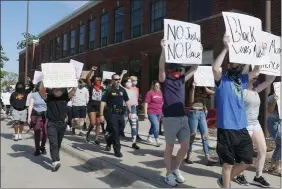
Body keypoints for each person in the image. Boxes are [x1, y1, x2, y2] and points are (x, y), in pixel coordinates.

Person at [212, 35, 261, 188]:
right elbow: (215, 68)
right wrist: (225, 48)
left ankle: (223, 181)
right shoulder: (222, 80)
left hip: (241, 127)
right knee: (227, 164)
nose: (235, 62)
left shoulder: (242, 80)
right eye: (232, 60)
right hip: (226, 127)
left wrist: (259, 53)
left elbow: (257, 71)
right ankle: (226, 184)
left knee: (247, 161)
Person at [159, 39, 199, 186]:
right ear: (171, 70)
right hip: (170, 119)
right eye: (177, 70)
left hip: (183, 118)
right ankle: (168, 174)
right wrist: (163, 49)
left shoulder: (181, 80)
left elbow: (194, 69)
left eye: (180, 70)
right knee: (169, 147)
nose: (179, 72)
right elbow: (161, 68)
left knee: (185, 146)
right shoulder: (164, 81)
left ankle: (176, 169)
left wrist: (197, 52)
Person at [232, 65, 275, 187]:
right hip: (244, 125)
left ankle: (258, 176)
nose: (255, 79)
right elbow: (242, 76)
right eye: (253, 77)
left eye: (256, 78)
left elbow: (269, 81)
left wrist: (276, 69)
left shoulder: (256, 90)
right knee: (245, 154)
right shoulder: (240, 89)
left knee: (262, 150)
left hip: (255, 124)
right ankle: (239, 174)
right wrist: (248, 62)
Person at [38, 82, 76, 171]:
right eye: (55, 89)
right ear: (53, 90)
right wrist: (44, 80)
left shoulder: (65, 97)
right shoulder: (49, 97)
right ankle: (55, 161)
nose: (57, 90)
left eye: (59, 89)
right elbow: (41, 91)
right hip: (52, 123)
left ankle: (55, 157)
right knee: (53, 143)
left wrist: (75, 82)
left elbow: (73, 90)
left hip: (62, 124)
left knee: (58, 143)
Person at [185, 81, 218, 166]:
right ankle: (188, 155)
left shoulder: (204, 88)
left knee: (205, 135)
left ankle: (208, 158)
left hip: (202, 114)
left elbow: (214, 92)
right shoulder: (192, 87)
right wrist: (193, 87)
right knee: (192, 135)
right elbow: (191, 101)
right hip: (194, 113)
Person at [100, 73, 132, 158]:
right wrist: (101, 114)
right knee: (115, 131)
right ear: (112, 80)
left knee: (120, 130)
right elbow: (102, 102)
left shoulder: (122, 90)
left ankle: (108, 139)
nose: (118, 81)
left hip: (120, 113)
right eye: (116, 79)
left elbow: (127, 101)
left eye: (119, 79)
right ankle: (117, 150)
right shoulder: (108, 90)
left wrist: (130, 112)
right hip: (111, 113)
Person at [27, 82, 48, 156]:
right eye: (42, 86)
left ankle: (42, 146)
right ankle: (37, 148)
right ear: (38, 87)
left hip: (45, 115)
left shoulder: (46, 95)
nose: (44, 87)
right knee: (37, 133)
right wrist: (29, 116)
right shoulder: (34, 95)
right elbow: (30, 105)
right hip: (36, 115)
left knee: (46, 133)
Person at [121, 75, 140, 150]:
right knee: (122, 125)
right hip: (124, 109)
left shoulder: (134, 90)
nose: (130, 83)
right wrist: (122, 74)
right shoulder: (122, 89)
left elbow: (135, 102)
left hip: (133, 108)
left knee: (134, 126)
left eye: (130, 82)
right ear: (125, 83)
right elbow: (119, 82)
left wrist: (135, 113)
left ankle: (134, 142)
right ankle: (114, 138)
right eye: (128, 82)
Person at [85, 66, 103, 145]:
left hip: (99, 107)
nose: (98, 80)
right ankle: (88, 134)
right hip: (91, 106)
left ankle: (96, 138)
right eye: (97, 79)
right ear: (94, 80)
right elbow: (87, 78)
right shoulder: (91, 87)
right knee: (93, 123)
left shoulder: (102, 88)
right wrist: (91, 70)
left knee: (98, 122)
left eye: (99, 79)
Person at [266, 85, 281, 176]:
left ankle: (272, 166)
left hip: (280, 122)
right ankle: (278, 166)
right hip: (273, 123)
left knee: (279, 144)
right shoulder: (272, 97)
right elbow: (270, 111)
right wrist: (275, 99)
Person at [144, 80, 163, 147]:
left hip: (159, 112)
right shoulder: (150, 93)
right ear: (153, 86)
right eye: (156, 85)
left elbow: (162, 103)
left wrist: (162, 112)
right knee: (156, 125)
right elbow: (146, 103)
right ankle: (157, 140)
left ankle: (149, 137)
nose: (157, 87)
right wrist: (145, 113)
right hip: (151, 112)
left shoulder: (160, 93)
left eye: (158, 85)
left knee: (153, 125)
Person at [130, 75, 142, 141]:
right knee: (125, 121)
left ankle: (136, 135)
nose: (135, 81)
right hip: (129, 106)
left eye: (136, 80)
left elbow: (137, 97)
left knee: (136, 121)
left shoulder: (137, 89)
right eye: (134, 80)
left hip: (135, 106)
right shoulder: (128, 88)